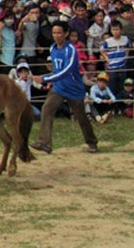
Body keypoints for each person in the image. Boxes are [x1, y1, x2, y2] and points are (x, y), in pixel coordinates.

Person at [31, 21, 98, 154]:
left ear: (66, 33)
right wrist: (48, 77)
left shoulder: (70, 50)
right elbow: (57, 70)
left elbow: (66, 70)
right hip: (59, 87)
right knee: (47, 109)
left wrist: (45, 79)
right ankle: (45, 142)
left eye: (59, 33)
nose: (56, 35)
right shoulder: (53, 48)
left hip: (74, 88)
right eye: (54, 33)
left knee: (81, 116)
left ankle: (91, 141)